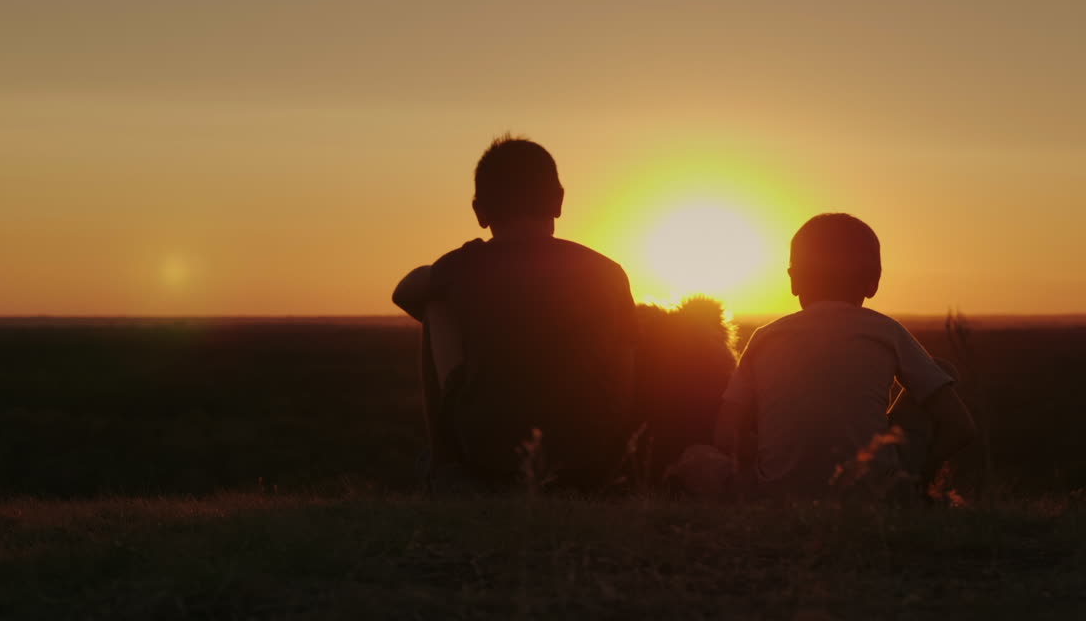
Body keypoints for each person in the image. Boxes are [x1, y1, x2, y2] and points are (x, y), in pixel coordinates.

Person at [393, 135, 637, 491]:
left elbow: (404, 292)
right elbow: (626, 377)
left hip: (489, 459)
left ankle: (444, 465)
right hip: (590, 465)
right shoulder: (607, 272)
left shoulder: (465, 266)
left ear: (480, 211)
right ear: (558, 201)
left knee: (436, 306)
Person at [680, 213, 976, 499]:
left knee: (696, 459)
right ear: (873, 282)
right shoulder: (886, 332)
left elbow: (725, 435)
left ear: (793, 279)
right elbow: (961, 427)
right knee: (939, 371)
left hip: (773, 496)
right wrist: (918, 479)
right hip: (876, 496)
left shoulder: (765, 338)